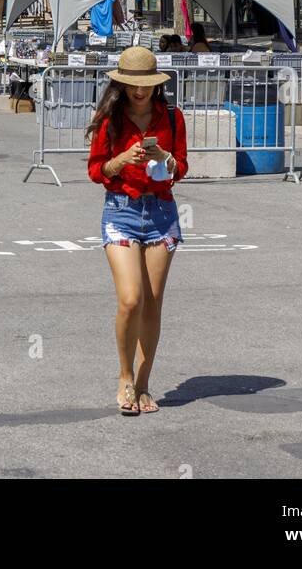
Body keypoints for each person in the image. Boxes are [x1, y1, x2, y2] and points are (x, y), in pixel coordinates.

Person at [86, 46, 188, 417]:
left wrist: (166, 158)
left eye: (146, 84)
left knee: (152, 301)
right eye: (133, 85)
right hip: (121, 211)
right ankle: (124, 375)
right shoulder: (108, 119)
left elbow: (182, 167)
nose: (140, 91)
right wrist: (120, 160)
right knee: (131, 299)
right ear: (121, 84)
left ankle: (143, 384)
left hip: (162, 212)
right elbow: (96, 171)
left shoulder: (172, 117)